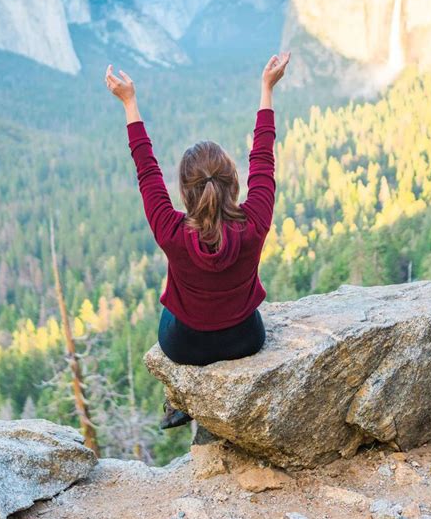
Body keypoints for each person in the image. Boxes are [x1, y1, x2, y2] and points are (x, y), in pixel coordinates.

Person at [104, 52, 291, 428]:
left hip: (186, 346)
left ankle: (181, 398)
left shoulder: (171, 232)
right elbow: (264, 159)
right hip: (244, 339)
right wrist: (266, 89)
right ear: (233, 183)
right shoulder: (255, 223)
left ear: (186, 193)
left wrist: (129, 102)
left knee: (168, 308)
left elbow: (146, 169)